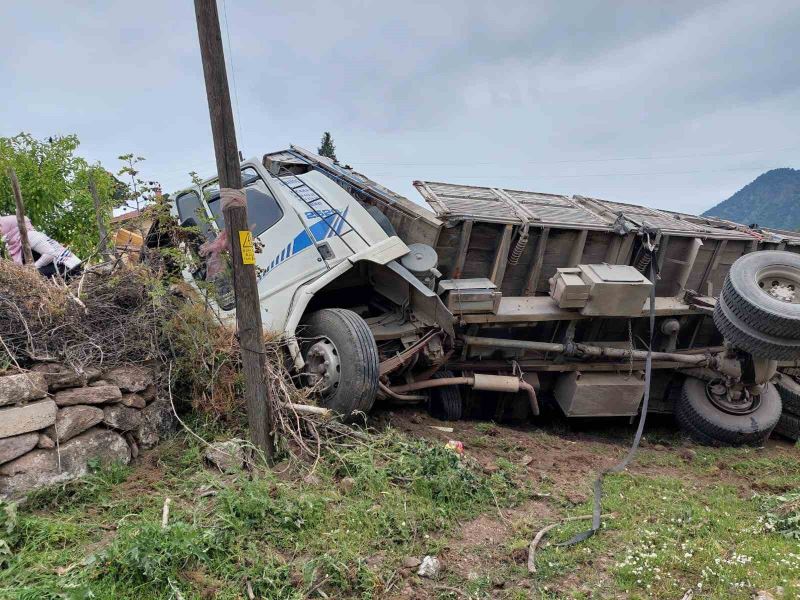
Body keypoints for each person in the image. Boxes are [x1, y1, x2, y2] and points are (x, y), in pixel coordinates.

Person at [0, 214, 82, 279]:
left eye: (1, 226)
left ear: (10, 225)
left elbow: (50, 254)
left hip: (68, 267)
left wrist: (32, 269)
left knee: (27, 278)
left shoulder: (30, 235)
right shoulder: (14, 244)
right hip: (55, 268)